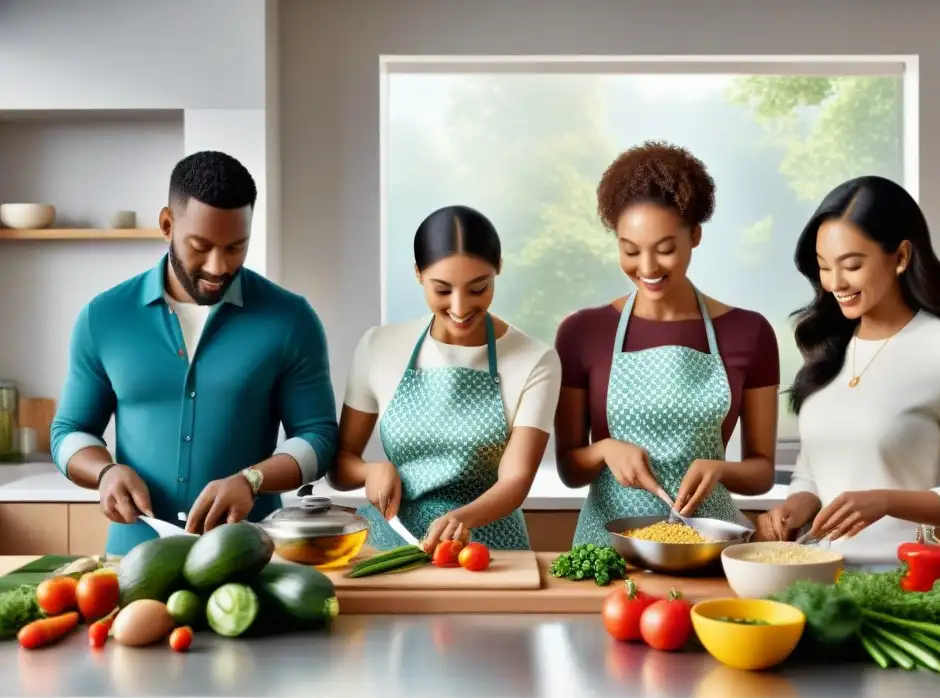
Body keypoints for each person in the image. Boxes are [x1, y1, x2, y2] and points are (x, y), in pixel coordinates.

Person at [49, 150, 338, 556]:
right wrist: (105, 472)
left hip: (248, 559)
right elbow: (68, 432)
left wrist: (252, 479)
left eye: (236, 247)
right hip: (133, 559)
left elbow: (319, 438)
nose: (219, 266)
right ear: (167, 224)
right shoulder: (103, 317)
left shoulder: (291, 319)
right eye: (201, 246)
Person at [760, 175, 940, 566]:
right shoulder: (828, 348)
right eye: (824, 267)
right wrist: (796, 505)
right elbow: (813, 472)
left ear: (901, 257)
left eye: (851, 265)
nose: (835, 283)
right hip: (818, 574)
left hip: (904, 577)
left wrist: (886, 501)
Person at [554, 141, 780, 547]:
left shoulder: (750, 332)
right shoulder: (582, 332)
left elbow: (762, 471)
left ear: (695, 235)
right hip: (608, 548)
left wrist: (721, 469)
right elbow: (570, 468)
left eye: (665, 249)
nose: (647, 268)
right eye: (630, 250)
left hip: (707, 544)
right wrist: (604, 449)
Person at [329, 205, 561, 553]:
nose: (460, 306)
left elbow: (515, 479)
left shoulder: (536, 360)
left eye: (478, 288)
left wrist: (463, 519)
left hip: (486, 549)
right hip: (391, 544)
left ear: (498, 270)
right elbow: (340, 465)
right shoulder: (378, 347)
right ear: (418, 274)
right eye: (442, 290)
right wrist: (370, 471)